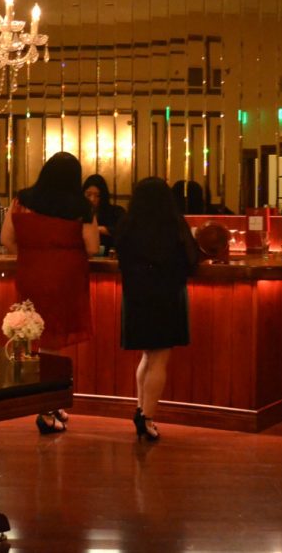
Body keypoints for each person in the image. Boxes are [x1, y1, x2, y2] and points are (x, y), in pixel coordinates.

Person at [0, 152, 99, 434]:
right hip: (65, 276)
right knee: (52, 344)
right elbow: (92, 247)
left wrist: (32, 254)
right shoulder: (81, 207)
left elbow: (6, 239)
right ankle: (45, 409)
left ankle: (51, 403)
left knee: (41, 339)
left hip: (31, 274)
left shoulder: (21, 200)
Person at [115, 176, 201, 442]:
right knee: (159, 359)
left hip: (136, 296)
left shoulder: (127, 225)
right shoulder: (173, 224)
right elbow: (192, 259)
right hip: (166, 295)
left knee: (147, 356)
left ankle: (141, 409)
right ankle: (148, 418)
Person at [82, 173, 126, 254]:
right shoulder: (77, 214)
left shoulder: (115, 212)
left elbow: (124, 231)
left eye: (97, 195)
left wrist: (101, 229)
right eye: (88, 195)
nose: (92, 199)